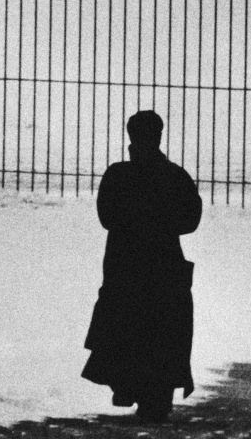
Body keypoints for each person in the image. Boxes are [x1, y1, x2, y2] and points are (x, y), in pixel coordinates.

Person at [80, 110, 204, 424]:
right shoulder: (175, 175)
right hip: (163, 261)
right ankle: (155, 396)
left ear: (130, 137)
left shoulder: (118, 175)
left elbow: (107, 217)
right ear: (159, 136)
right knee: (162, 329)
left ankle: (127, 384)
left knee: (124, 324)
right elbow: (190, 220)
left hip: (125, 261)